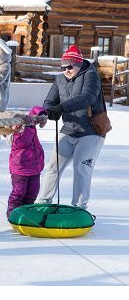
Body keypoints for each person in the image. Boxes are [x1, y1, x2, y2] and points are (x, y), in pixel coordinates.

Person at [36, 45, 105, 210]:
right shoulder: (59, 79)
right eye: (63, 66)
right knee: (53, 166)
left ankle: (80, 207)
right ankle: (42, 202)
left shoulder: (91, 76)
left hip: (91, 131)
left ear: (79, 64)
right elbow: (49, 101)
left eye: (70, 66)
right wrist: (48, 111)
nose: (66, 69)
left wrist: (62, 107)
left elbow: (87, 97)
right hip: (69, 129)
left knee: (81, 167)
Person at [0, 107, 47, 218]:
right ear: (9, 128)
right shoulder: (12, 136)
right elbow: (24, 142)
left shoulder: (27, 126)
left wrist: (40, 113)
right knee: (19, 193)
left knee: (33, 193)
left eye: (20, 122)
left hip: (35, 168)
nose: (19, 126)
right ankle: (13, 214)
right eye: (15, 124)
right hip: (20, 171)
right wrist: (29, 125)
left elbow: (33, 111)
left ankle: (27, 213)